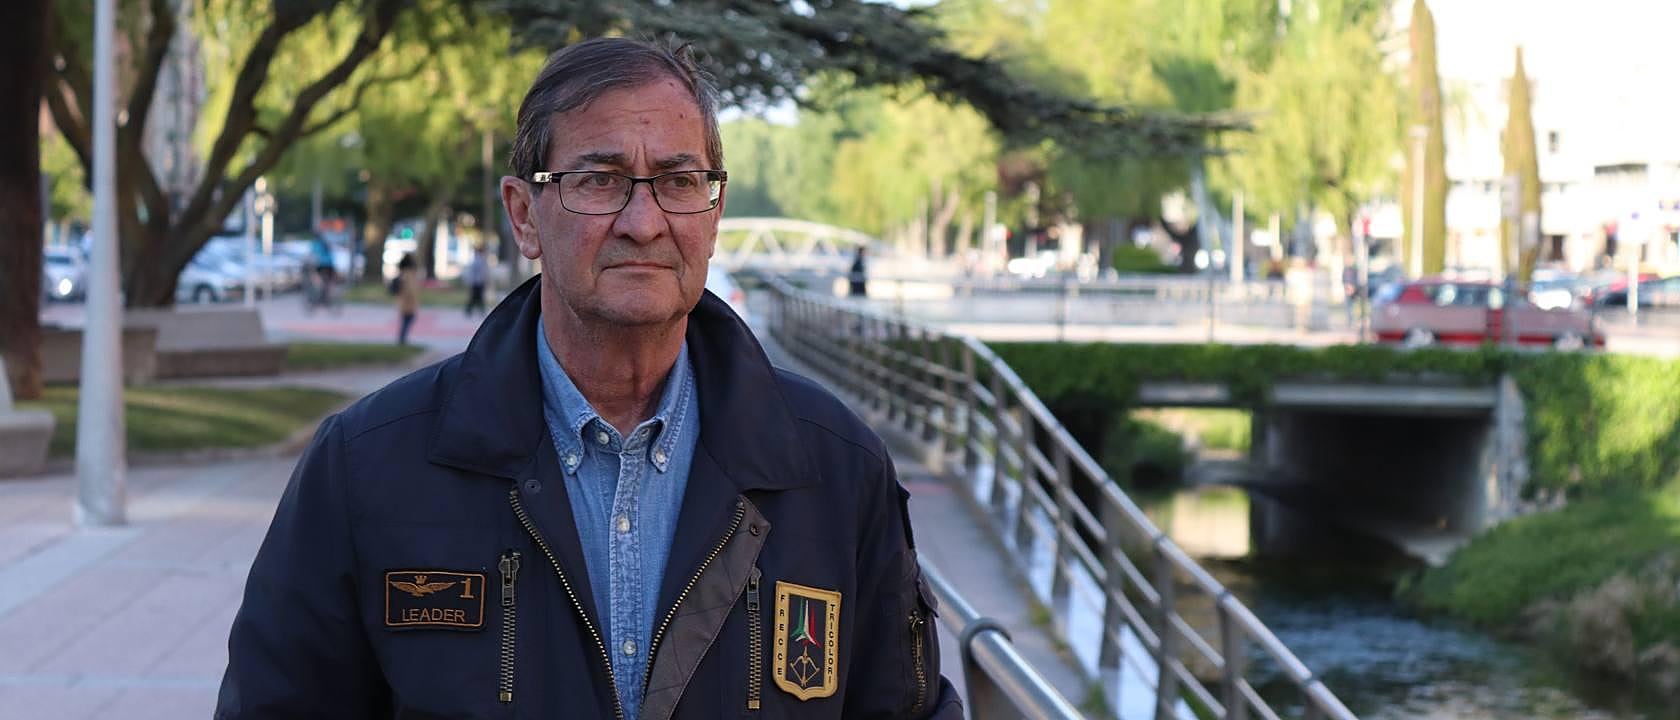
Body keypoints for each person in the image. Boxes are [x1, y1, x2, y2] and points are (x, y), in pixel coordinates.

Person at [217, 37, 960, 720]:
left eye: (678, 180)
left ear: (714, 213)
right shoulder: (366, 467)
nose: (644, 221)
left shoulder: (835, 468)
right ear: (524, 216)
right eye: (600, 180)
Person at [395, 253, 420, 346]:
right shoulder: (409, 274)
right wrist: (414, 300)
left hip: (403, 300)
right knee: (409, 319)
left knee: (406, 319)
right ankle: (402, 339)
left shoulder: (402, 273)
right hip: (408, 301)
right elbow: (411, 289)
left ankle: (402, 338)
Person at [464, 243, 490, 316]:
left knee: (476, 297)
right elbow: (478, 272)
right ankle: (474, 310)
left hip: (478, 282)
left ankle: (471, 310)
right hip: (477, 282)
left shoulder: (479, 260)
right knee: (476, 297)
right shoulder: (479, 260)